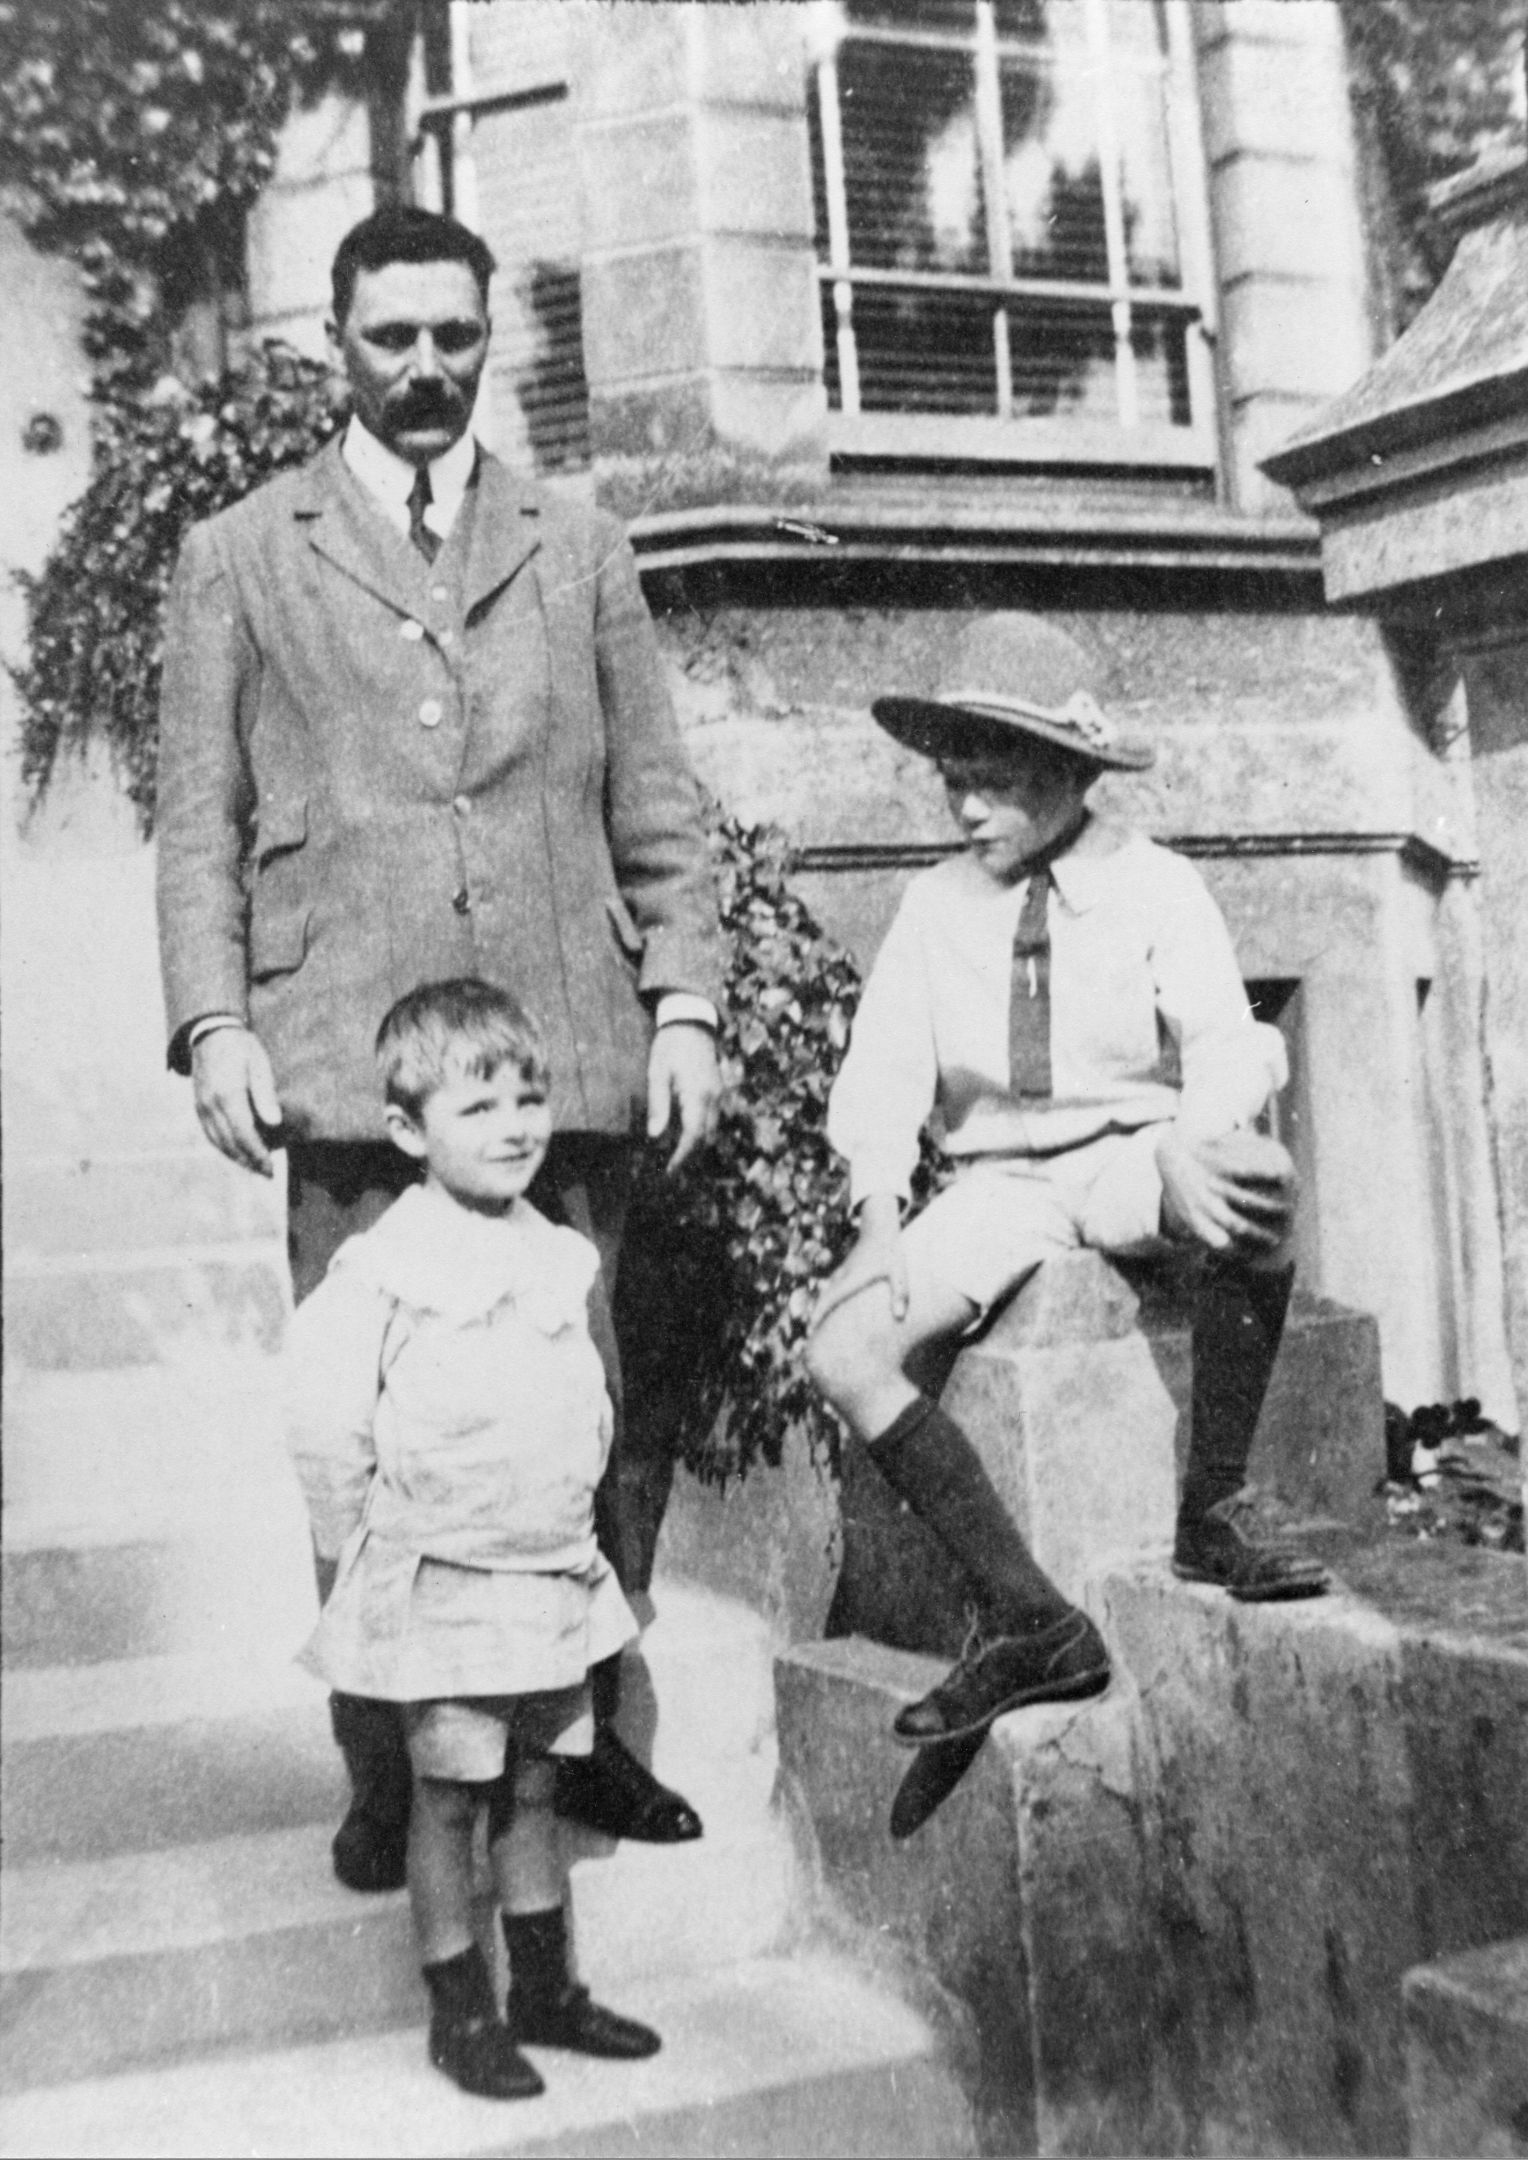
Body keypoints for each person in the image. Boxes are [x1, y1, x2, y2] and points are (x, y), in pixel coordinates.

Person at [156, 204, 725, 1892]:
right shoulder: (241, 555)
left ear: (491, 343)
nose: (423, 369)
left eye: (452, 337)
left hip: (562, 1052)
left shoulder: (579, 545)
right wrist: (211, 1025)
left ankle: (592, 1739)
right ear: (332, 340)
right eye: (389, 336)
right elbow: (200, 823)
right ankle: (385, 1769)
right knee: (373, 1431)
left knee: (584, 1412)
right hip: (348, 1059)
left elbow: (658, 803)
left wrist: (684, 1002)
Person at [806, 613, 1328, 1821]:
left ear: (1066, 777)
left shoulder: (1153, 885)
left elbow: (1220, 1037)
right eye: (954, 785)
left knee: (1251, 1192)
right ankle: (1032, 1619)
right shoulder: (934, 907)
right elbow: (882, 1075)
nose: (966, 812)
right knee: (841, 1345)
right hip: (995, 1184)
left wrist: (1201, 1144)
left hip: (1127, 1152)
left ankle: (1214, 1510)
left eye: (991, 787)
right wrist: (880, 1217)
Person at [286, 979, 662, 2099]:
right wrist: (359, 1547)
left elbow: (585, 1398)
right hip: (443, 1583)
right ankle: (461, 2011)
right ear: (407, 1131)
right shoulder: (386, 1268)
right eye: (480, 1107)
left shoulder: (555, 1254)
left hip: (546, 1575)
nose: (516, 1127)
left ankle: (545, 1992)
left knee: (538, 1787)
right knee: (449, 1797)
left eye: (529, 1099)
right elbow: (324, 1425)